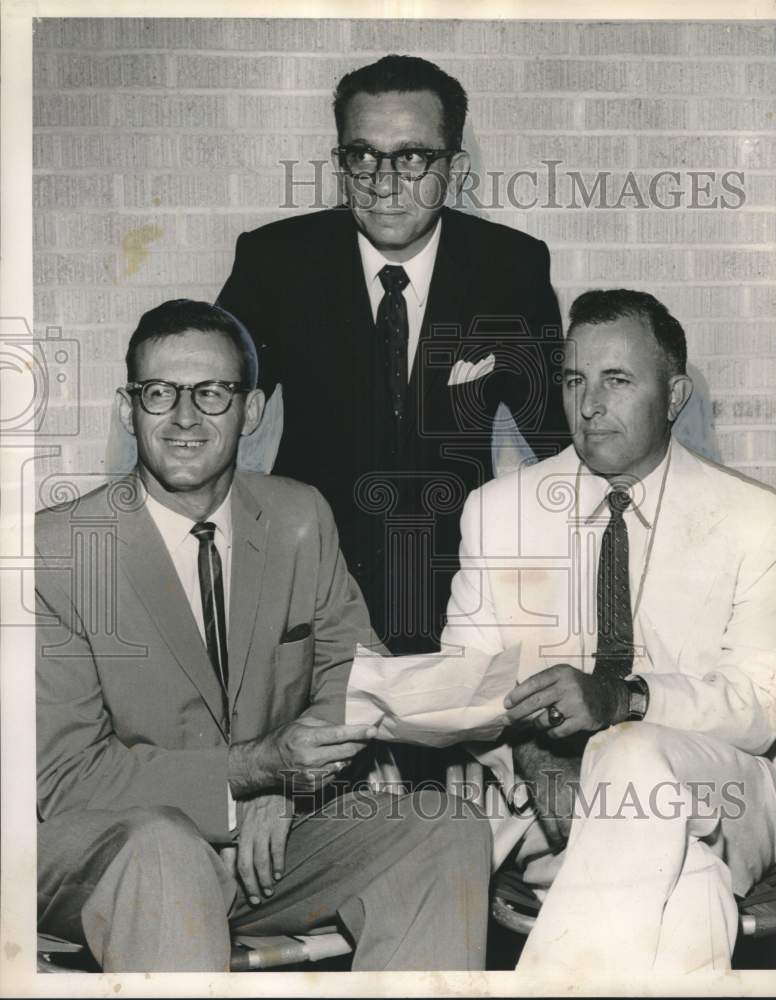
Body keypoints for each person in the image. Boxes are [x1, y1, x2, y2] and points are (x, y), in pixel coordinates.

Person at [35, 299, 491, 973]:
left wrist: (286, 785)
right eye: (160, 393)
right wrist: (249, 773)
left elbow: (354, 673)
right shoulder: (61, 552)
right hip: (108, 855)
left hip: (269, 844)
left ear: (249, 412)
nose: (184, 418)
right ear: (127, 410)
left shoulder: (297, 515)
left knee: (443, 830)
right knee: (165, 849)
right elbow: (65, 780)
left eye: (212, 394)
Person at [441, 289, 776, 972]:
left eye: (616, 380)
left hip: (721, 797)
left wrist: (626, 701)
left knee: (629, 754)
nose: (588, 405)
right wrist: (531, 756)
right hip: (546, 808)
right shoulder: (499, 511)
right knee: (689, 899)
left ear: (675, 393)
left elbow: (765, 708)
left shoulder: (759, 520)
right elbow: (463, 684)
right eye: (574, 380)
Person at [217, 54, 568, 656]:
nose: (383, 182)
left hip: (458, 593)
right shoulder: (275, 261)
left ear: (454, 169)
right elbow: (208, 408)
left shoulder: (512, 268)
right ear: (340, 164)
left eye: (411, 157)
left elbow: (560, 439)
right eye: (363, 156)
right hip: (304, 588)